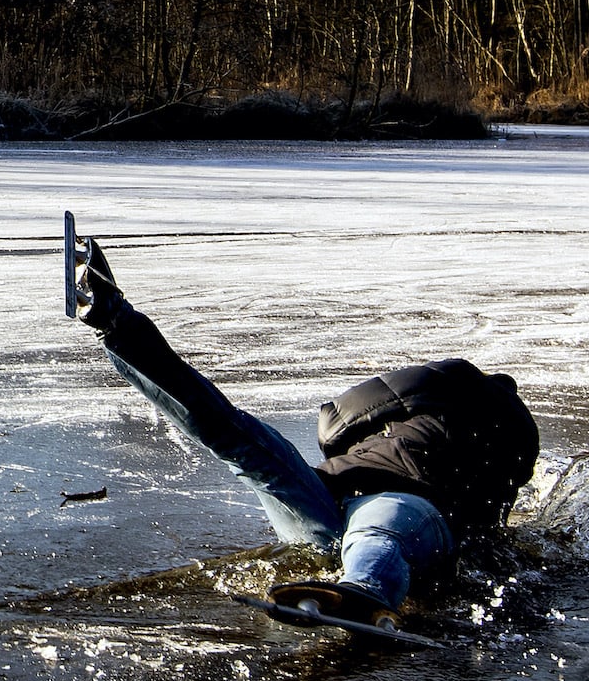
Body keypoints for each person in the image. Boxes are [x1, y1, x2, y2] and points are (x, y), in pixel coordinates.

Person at [70, 234, 539, 628]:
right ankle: (361, 587)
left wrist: (369, 442)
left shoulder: (452, 381)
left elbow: (335, 421)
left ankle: (114, 319)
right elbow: (491, 525)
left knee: (236, 437)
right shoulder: (517, 446)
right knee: (364, 519)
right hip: (378, 515)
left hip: (360, 502)